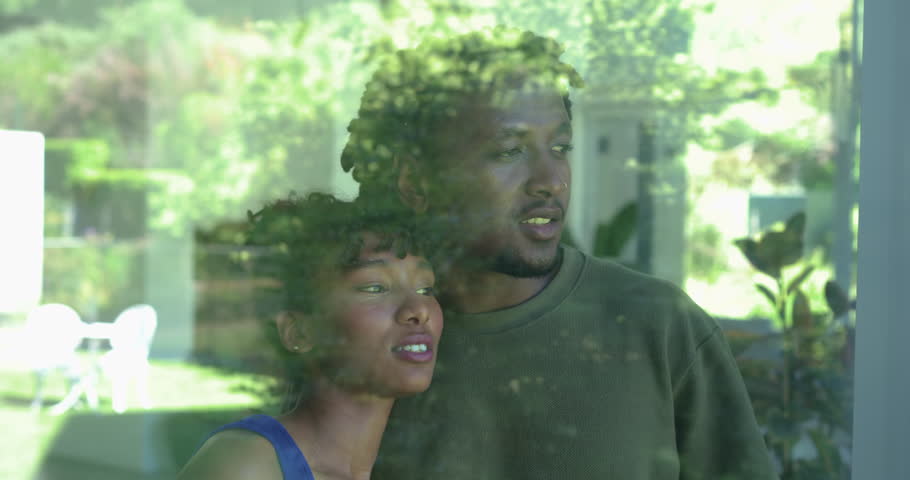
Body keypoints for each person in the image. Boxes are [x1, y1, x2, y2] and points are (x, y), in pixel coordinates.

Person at [341, 28, 778, 479]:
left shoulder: (659, 327)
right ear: (417, 183)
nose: (551, 180)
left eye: (561, 148)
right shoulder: (370, 340)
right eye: (510, 151)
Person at [177, 193, 443, 480]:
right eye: (375, 288)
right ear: (299, 332)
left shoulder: (420, 468)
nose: (418, 309)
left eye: (425, 289)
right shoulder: (246, 468)